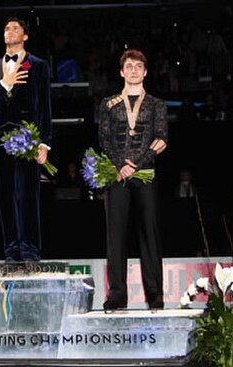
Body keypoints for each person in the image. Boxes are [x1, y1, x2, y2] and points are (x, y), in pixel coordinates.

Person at [98, 49, 168, 311]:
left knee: (149, 234)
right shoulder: (108, 103)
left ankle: (155, 293)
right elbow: (104, 139)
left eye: (139, 66)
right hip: (116, 174)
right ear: (121, 72)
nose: (134, 70)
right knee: (115, 235)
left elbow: (161, 139)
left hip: (145, 173)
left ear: (146, 71)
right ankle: (117, 293)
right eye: (129, 66)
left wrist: (136, 163)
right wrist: (120, 165)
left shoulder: (156, 105)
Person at [0, 17, 52, 262]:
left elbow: (45, 106)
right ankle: (11, 251)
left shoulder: (38, 65)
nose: (10, 31)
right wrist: (3, 84)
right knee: (4, 195)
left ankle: (30, 250)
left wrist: (44, 142)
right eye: (6, 28)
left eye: (15, 28)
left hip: (27, 135)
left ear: (25, 36)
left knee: (27, 195)